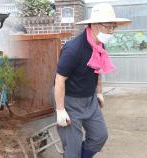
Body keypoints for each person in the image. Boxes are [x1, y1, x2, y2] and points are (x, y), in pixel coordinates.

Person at [54, 3, 131, 158]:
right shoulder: (74, 49)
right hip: (69, 100)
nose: (111, 31)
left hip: (89, 99)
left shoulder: (99, 45)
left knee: (99, 136)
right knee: (72, 147)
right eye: (108, 27)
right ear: (95, 25)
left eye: (113, 27)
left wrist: (99, 92)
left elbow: (98, 69)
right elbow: (59, 80)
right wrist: (60, 109)